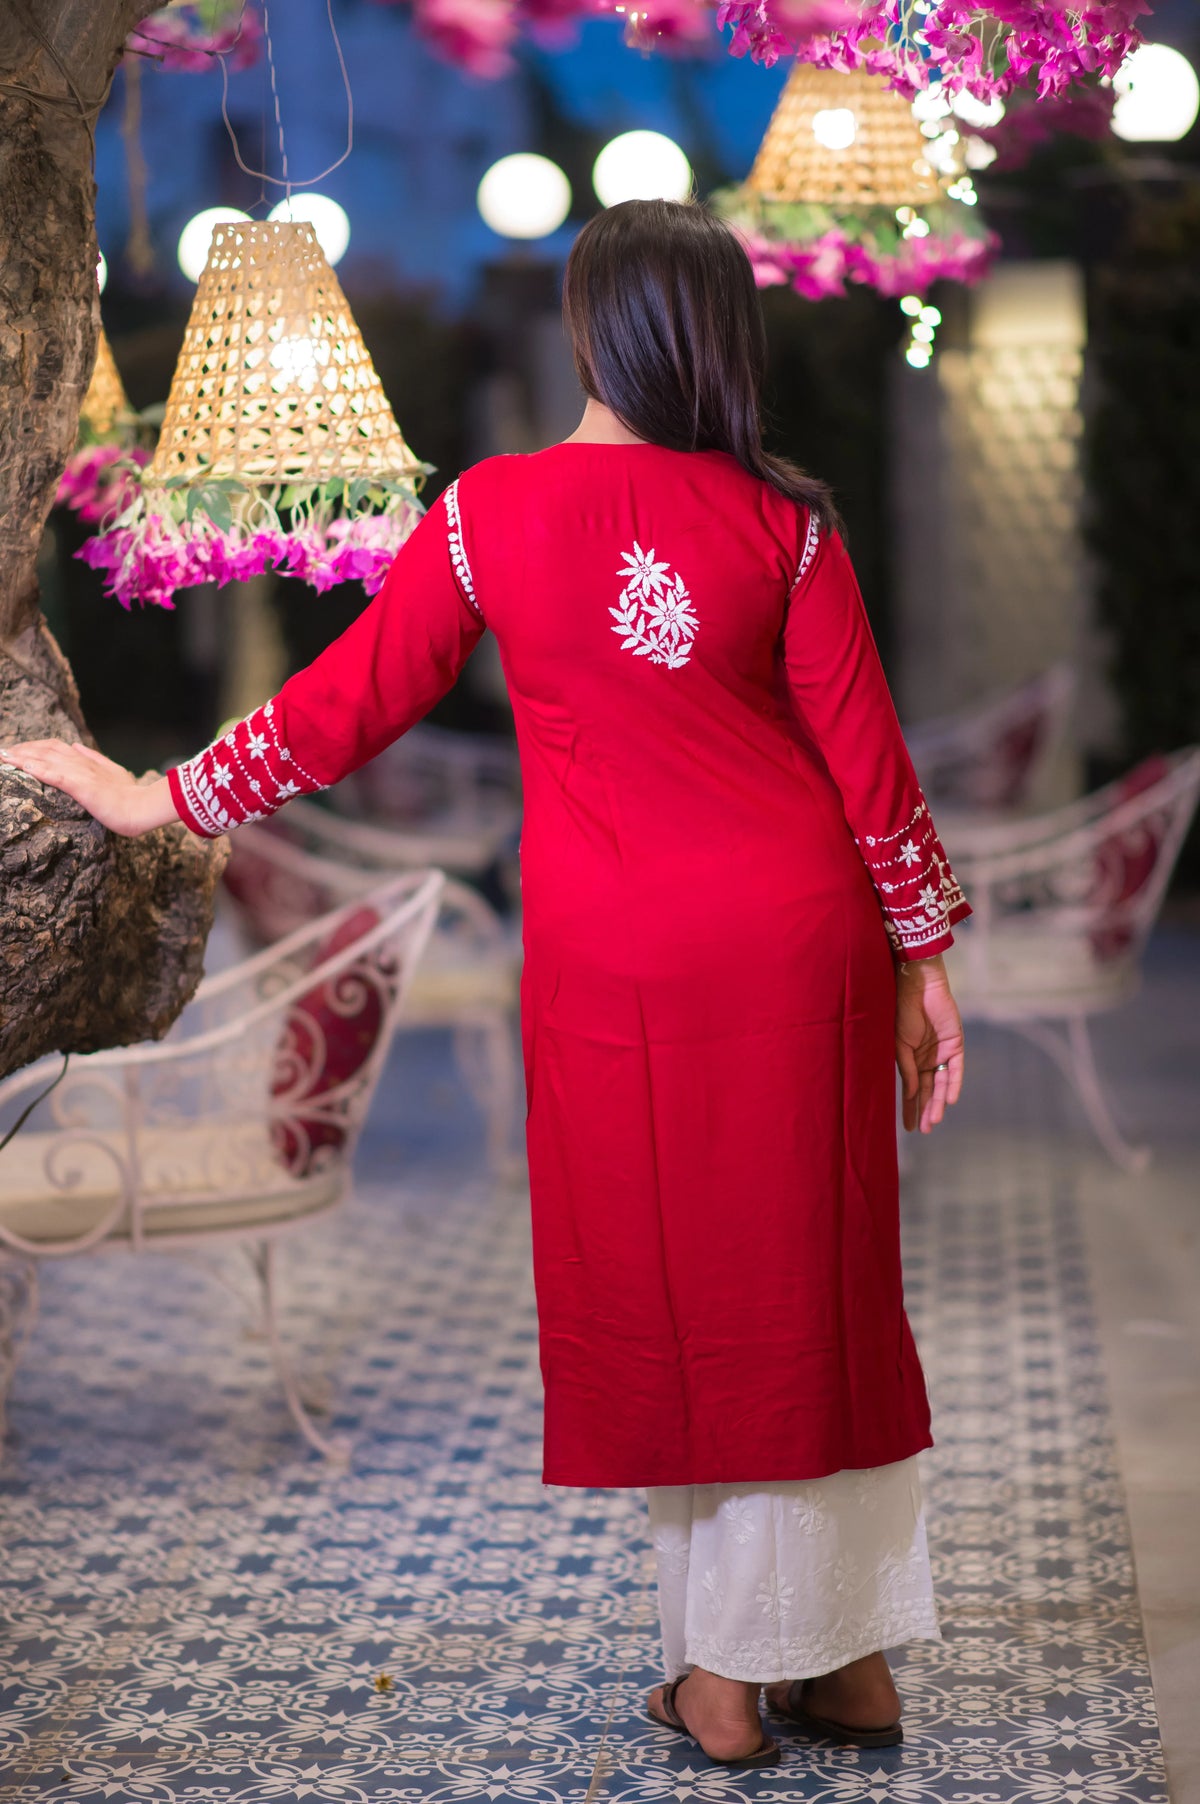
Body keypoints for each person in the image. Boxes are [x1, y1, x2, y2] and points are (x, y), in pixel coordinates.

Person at [3, 198, 968, 1770]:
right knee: (817, 1278)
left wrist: (154, 796)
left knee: (672, 1292)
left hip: (617, 961)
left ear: (594, 332)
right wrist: (929, 961)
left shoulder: (491, 516)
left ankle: (728, 1682)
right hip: (804, 943)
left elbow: (346, 707)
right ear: (721, 338)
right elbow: (873, 773)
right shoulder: (788, 523)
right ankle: (843, 1661)